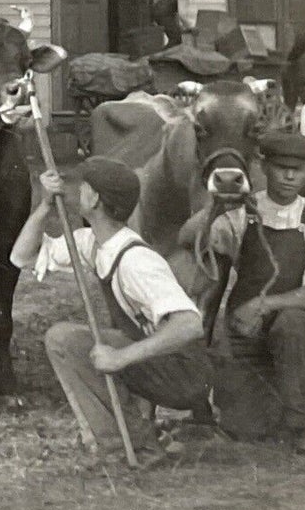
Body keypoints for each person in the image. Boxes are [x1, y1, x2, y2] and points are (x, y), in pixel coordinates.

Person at [15, 155, 212, 465]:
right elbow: (22, 255)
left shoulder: (136, 261)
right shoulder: (94, 242)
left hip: (183, 374)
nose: (77, 191)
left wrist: (121, 357)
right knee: (66, 339)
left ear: (94, 198)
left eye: (83, 187)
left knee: (70, 342)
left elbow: (189, 325)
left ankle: (133, 444)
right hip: (156, 359)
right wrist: (43, 207)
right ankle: (121, 440)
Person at [199, 129, 305, 455]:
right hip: (246, 334)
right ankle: (268, 402)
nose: (290, 176)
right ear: (264, 168)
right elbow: (201, 265)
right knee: (245, 429)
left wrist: (262, 305)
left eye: (299, 169)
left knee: (291, 323)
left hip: (297, 331)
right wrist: (212, 212)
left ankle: (301, 426)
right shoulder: (238, 217)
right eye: (281, 167)